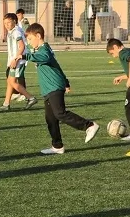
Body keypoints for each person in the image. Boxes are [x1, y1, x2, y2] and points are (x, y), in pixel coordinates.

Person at [23, 23, 99, 155]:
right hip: (49, 88)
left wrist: (25, 56)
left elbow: (44, 57)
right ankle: (57, 146)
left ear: (38, 36)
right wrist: (66, 81)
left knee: (60, 113)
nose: (28, 42)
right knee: (50, 119)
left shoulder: (44, 50)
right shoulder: (40, 49)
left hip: (54, 86)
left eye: (30, 39)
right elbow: (56, 66)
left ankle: (89, 125)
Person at [0, 12, 36, 111]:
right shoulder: (12, 31)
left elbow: (22, 46)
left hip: (18, 61)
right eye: (5, 23)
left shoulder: (16, 32)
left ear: (14, 21)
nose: (6, 25)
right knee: (10, 82)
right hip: (14, 60)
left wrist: (15, 60)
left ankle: (30, 98)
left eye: (8, 23)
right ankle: (6, 104)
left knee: (12, 82)